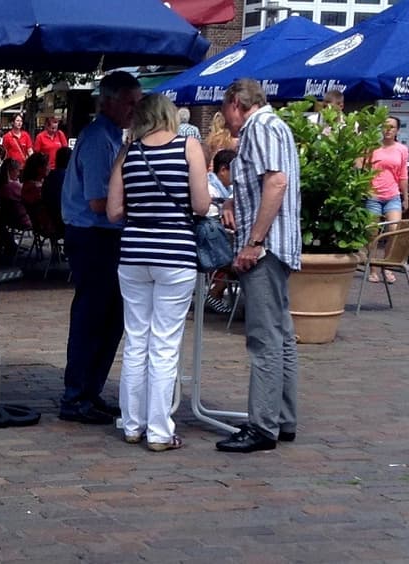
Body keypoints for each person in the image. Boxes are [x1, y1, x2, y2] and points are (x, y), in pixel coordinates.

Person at [106, 93, 210, 451]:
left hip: (134, 254)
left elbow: (113, 212)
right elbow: (201, 204)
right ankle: (159, 431)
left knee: (136, 340)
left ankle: (132, 424)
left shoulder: (128, 153)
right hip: (175, 254)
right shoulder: (188, 147)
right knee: (164, 344)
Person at [215, 78, 301, 453]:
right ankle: (281, 418)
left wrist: (254, 241)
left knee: (264, 337)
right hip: (278, 245)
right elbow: (266, 181)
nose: (224, 120)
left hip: (266, 248)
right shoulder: (274, 126)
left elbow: (276, 182)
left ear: (236, 102)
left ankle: (263, 425)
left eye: (224, 110)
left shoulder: (259, 127)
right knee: (280, 334)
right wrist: (234, 201)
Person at [58, 70, 142, 424]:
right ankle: (76, 396)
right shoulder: (98, 140)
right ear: (108, 102)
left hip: (104, 235)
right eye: (130, 103)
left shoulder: (113, 138)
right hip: (94, 236)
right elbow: (97, 201)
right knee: (92, 317)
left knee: (110, 319)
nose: (135, 110)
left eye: (138, 103)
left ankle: (90, 391)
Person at [363, 116, 409, 284]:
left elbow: (403, 174)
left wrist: (405, 196)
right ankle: (373, 269)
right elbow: (364, 170)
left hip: (393, 195)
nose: (388, 130)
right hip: (374, 195)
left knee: (394, 230)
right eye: (385, 126)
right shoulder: (372, 148)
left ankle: (387, 266)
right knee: (372, 234)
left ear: (397, 130)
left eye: (392, 127)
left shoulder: (402, 149)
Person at [205, 149, 237, 314]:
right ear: (223, 170)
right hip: (211, 246)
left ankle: (215, 293)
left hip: (221, 245)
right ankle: (214, 294)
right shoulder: (211, 190)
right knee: (240, 262)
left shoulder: (227, 190)